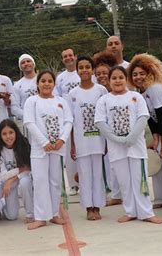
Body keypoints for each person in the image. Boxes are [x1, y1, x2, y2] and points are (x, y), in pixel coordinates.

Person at [95, 66, 162, 224]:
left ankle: (146, 212)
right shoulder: (104, 100)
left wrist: (131, 137)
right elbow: (100, 122)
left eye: (120, 77)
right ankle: (130, 211)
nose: (117, 81)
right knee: (124, 182)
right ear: (109, 81)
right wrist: (117, 139)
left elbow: (143, 117)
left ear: (126, 79)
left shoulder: (135, 97)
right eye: (114, 78)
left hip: (136, 147)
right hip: (116, 148)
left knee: (140, 180)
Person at [128, 53, 162, 209]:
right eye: (134, 74)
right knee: (158, 156)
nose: (138, 77)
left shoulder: (155, 88)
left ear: (149, 74)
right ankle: (161, 198)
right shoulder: (141, 94)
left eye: (141, 73)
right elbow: (151, 120)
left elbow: (160, 114)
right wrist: (156, 140)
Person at [23, 71, 73, 230]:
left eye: (49, 81)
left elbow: (68, 121)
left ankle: (54, 214)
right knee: (40, 181)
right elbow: (29, 123)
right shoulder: (32, 101)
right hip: (40, 149)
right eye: (43, 81)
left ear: (54, 84)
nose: (46, 84)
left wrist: (61, 140)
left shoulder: (61, 101)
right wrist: (44, 142)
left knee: (55, 181)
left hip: (58, 148)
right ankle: (40, 217)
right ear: (37, 83)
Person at [67, 57, 108, 220]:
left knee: (97, 174)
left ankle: (97, 207)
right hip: (81, 141)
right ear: (77, 70)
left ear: (92, 70)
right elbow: (70, 121)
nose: (84, 70)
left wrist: (107, 141)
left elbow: (105, 118)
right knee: (84, 175)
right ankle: (88, 208)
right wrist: (72, 145)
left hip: (98, 140)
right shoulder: (72, 94)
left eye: (87, 67)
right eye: (81, 67)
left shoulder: (101, 91)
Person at [0, 119, 34, 222]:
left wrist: (11, 179)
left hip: (20, 180)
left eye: (11, 132)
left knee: (25, 181)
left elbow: (28, 169)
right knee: (11, 216)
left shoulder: (23, 144)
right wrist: (20, 169)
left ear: (16, 132)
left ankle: (29, 214)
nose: (8, 136)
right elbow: (3, 176)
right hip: (7, 184)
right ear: (0, 135)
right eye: (4, 134)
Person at [93, 52, 122, 206]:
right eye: (98, 74)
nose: (101, 76)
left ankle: (120, 193)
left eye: (105, 73)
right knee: (109, 162)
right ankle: (114, 192)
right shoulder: (98, 91)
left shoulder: (119, 88)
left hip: (120, 132)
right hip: (103, 132)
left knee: (117, 162)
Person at [54, 47, 80, 196]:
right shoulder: (60, 77)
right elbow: (57, 97)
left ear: (75, 56)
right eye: (65, 57)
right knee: (71, 152)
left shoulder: (82, 71)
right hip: (68, 118)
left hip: (84, 116)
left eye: (70, 55)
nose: (68, 58)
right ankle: (73, 184)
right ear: (62, 60)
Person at [11, 54, 38, 121]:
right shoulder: (17, 86)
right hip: (28, 122)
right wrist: (28, 117)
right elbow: (14, 108)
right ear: (20, 67)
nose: (26, 64)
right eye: (23, 63)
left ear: (33, 64)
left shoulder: (43, 80)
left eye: (28, 61)